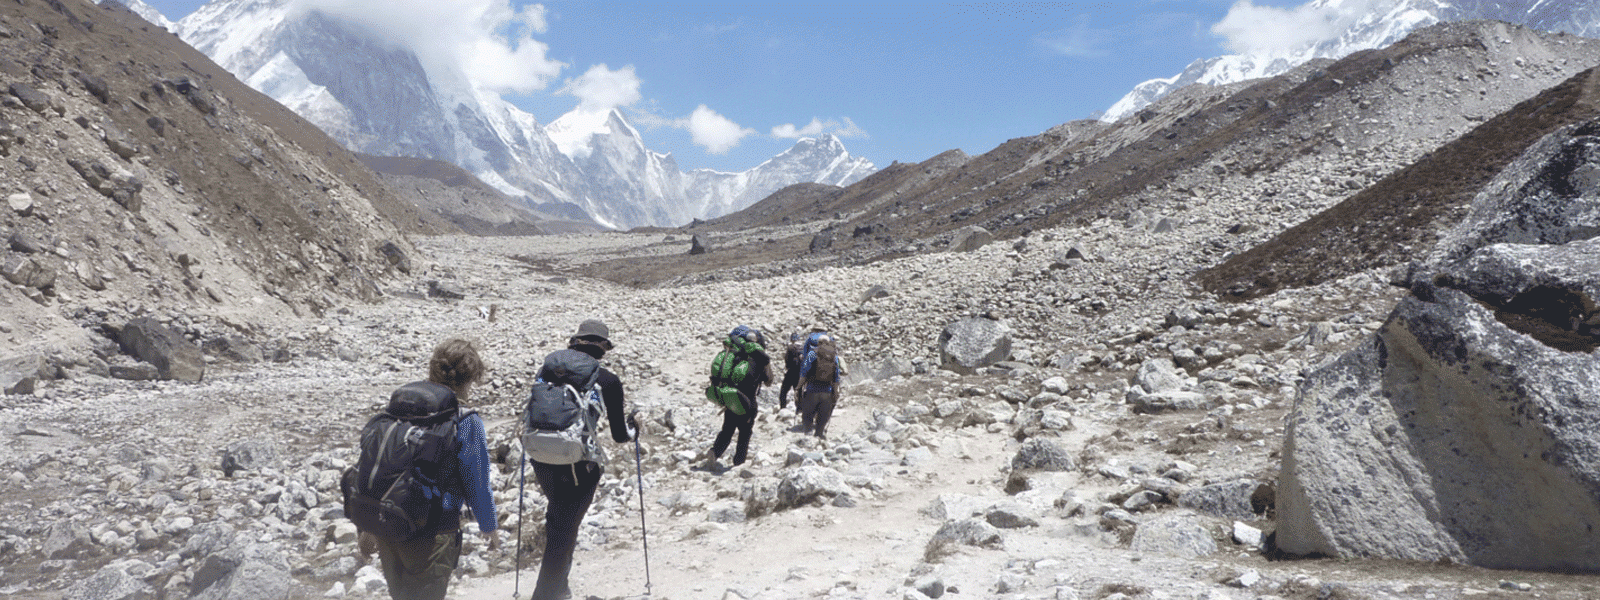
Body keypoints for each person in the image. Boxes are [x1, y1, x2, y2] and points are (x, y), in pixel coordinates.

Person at [369, 338, 498, 600]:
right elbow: (477, 482)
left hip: (389, 525)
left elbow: (377, 468)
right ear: (470, 378)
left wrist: (367, 527)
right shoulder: (465, 420)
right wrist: (489, 525)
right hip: (434, 531)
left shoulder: (399, 410)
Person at [528, 319, 636, 600]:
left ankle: (558, 588)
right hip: (579, 464)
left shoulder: (547, 370)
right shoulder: (608, 380)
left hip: (540, 456)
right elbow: (619, 435)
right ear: (601, 346)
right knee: (564, 528)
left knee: (559, 519)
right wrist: (634, 428)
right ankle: (547, 593)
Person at [705, 327, 772, 470]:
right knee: (745, 433)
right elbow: (769, 381)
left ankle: (714, 452)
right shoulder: (757, 358)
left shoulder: (734, 355)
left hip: (731, 398)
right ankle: (738, 463)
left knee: (727, 430)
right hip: (748, 401)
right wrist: (766, 362)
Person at [796, 332, 846, 440]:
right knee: (822, 417)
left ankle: (807, 439)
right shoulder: (834, 356)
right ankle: (819, 436)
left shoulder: (812, 353)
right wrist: (836, 392)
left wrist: (798, 387)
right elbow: (836, 376)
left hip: (812, 390)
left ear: (818, 343)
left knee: (808, 416)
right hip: (827, 391)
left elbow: (804, 372)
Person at [776, 332, 804, 411]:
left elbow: (787, 360)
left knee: (784, 391)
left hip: (791, 372)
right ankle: (799, 409)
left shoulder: (790, 347)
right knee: (798, 391)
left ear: (791, 339)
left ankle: (783, 407)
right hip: (800, 373)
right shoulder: (803, 348)